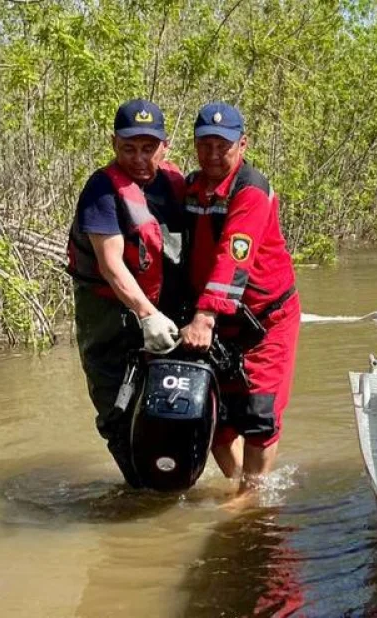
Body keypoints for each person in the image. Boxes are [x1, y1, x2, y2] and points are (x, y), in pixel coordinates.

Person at [179, 102, 301, 493]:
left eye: (224, 146)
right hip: (219, 320)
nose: (214, 155)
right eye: (205, 145)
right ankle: (241, 488)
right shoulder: (191, 187)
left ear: (242, 144)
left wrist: (204, 317)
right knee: (213, 416)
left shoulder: (251, 189)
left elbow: (235, 253)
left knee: (259, 414)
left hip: (266, 320)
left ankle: (251, 496)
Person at [67, 99, 187, 485]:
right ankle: (139, 491)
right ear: (113, 143)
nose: (138, 158)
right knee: (118, 413)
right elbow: (110, 263)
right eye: (129, 148)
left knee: (174, 407)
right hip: (110, 321)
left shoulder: (175, 183)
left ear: (165, 147)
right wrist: (146, 314)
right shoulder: (102, 191)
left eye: (148, 148)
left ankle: (172, 486)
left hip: (167, 314)